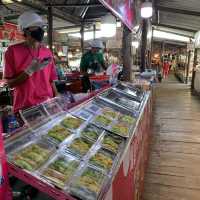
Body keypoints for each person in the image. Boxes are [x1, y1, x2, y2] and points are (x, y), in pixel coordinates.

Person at [3, 11, 58, 114]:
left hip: (47, 104)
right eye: (36, 27)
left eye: (41, 27)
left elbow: (51, 80)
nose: (40, 30)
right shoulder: (12, 52)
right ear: (25, 30)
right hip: (25, 107)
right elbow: (10, 84)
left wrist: (57, 97)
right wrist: (29, 71)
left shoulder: (47, 52)